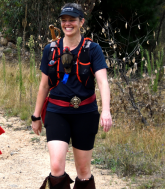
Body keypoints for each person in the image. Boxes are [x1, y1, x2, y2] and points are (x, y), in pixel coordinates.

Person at [31, 3, 112, 189]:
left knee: (83, 171)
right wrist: (36, 116)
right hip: (57, 111)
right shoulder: (50, 49)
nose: (68, 23)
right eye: (64, 20)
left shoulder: (93, 49)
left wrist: (106, 111)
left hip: (85, 112)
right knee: (57, 165)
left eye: (72, 20)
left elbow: (102, 82)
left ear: (81, 22)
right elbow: (44, 85)